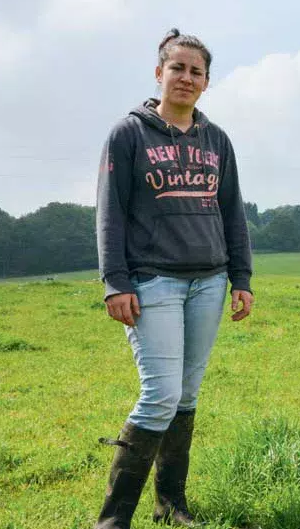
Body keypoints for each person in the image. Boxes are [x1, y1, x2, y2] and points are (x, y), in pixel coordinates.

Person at [94, 28, 254, 528]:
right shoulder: (129, 133)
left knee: (185, 396)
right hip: (152, 281)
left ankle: (171, 505)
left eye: (196, 71)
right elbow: (109, 212)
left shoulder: (217, 140)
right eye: (177, 68)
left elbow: (232, 212)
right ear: (159, 72)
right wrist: (115, 282)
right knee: (160, 394)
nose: (186, 78)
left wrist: (241, 277)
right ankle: (112, 520)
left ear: (207, 82)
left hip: (209, 282)